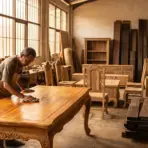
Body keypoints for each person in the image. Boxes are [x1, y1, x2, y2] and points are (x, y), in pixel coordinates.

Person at [0, 47, 36, 147]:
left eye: (31, 61)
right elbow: (6, 84)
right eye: (28, 60)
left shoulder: (21, 64)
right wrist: (22, 96)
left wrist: (23, 89)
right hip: (1, 90)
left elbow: (16, 79)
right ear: (21, 56)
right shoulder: (11, 62)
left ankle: (10, 141)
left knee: (11, 116)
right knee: (2, 120)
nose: (28, 63)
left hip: (5, 92)